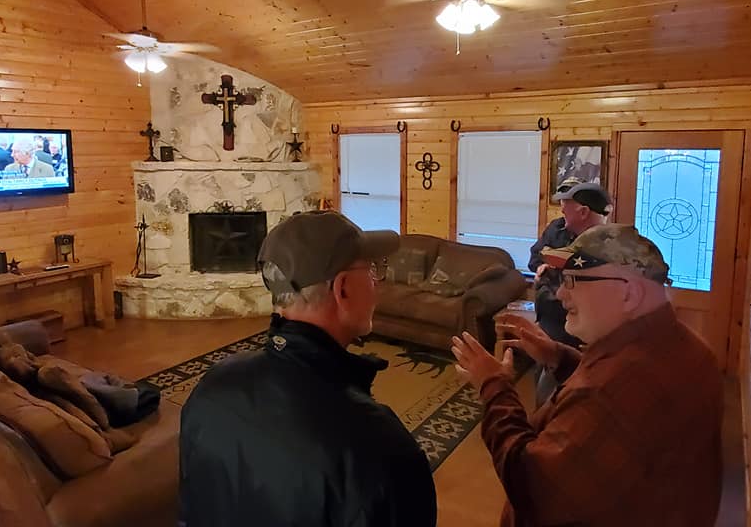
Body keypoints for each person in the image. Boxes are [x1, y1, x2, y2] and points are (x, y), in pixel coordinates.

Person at [452, 224, 722, 526]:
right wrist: (560, 357)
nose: (561, 293)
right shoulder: (678, 344)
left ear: (628, 292)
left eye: (574, 280)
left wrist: (494, 385)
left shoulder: (615, 391)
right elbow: (607, 384)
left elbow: (531, 486)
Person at [179, 211, 437, 527]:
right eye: (371, 269)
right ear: (343, 290)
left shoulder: (211, 388)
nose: (376, 280)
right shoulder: (380, 449)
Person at [528, 180, 612, 403]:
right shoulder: (556, 229)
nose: (561, 208)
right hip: (551, 316)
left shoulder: (608, 245)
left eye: (566, 203)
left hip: (582, 327)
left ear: (583, 211)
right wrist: (541, 267)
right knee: (546, 374)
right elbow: (536, 256)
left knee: (573, 384)